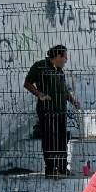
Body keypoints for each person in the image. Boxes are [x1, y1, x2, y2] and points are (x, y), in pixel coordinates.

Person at [24, 45, 80, 178]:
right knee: (50, 139)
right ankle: (50, 169)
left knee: (61, 139)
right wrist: (40, 94)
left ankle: (61, 167)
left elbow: (64, 90)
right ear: (58, 56)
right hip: (47, 111)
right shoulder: (40, 66)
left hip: (61, 111)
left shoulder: (59, 71)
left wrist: (73, 101)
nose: (66, 59)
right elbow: (27, 83)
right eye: (64, 56)